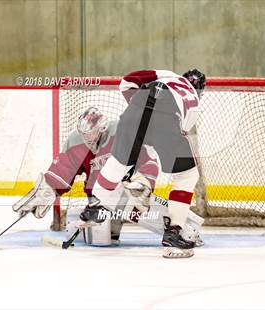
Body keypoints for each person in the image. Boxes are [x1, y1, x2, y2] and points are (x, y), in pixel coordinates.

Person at [12, 106, 204, 246]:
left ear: (102, 128)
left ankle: (183, 229)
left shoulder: (121, 132)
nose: (88, 139)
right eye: (84, 134)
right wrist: (46, 190)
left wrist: (143, 181)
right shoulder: (76, 142)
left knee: (139, 208)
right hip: (98, 202)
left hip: (127, 194)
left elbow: (149, 157)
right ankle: (97, 226)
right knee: (102, 241)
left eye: (92, 133)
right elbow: (63, 169)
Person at [87, 69, 206, 258]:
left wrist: (138, 112)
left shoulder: (169, 75)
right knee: (187, 175)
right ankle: (173, 232)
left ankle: (96, 204)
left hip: (134, 110)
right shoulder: (194, 100)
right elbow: (174, 133)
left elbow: (127, 81)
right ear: (199, 90)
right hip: (167, 117)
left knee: (119, 161)